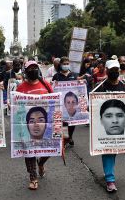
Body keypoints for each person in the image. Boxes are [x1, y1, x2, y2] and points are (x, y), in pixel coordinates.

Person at [93, 60, 125, 193]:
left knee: (121, 147)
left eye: (116, 70)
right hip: (106, 128)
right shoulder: (99, 87)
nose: (114, 72)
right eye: (112, 70)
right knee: (109, 151)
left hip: (122, 126)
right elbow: (93, 105)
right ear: (106, 70)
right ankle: (110, 180)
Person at [16, 60, 53, 190]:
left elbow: (54, 102)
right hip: (28, 126)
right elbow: (16, 106)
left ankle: (41, 163)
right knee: (29, 151)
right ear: (25, 72)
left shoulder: (46, 85)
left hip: (45, 125)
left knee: (49, 149)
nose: (33, 70)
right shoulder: (21, 88)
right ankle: (33, 177)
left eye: (35, 68)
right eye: (30, 68)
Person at [52, 57, 79, 147]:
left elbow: (79, 86)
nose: (66, 65)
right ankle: (65, 138)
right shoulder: (56, 76)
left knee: (72, 121)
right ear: (61, 65)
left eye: (68, 63)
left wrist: (83, 82)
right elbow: (52, 88)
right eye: (64, 64)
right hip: (61, 103)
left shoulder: (74, 75)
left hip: (72, 103)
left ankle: (69, 137)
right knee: (63, 121)